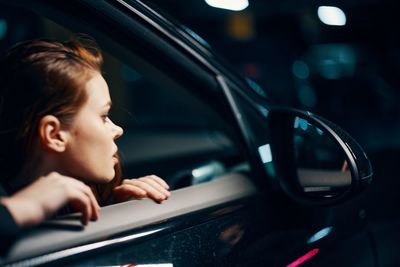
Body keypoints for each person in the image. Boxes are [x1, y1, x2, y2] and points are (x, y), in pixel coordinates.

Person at [0, 35, 171, 238]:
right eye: (103, 116)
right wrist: (22, 208)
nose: (118, 130)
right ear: (54, 135)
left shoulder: (69, 204)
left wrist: (114, 214)